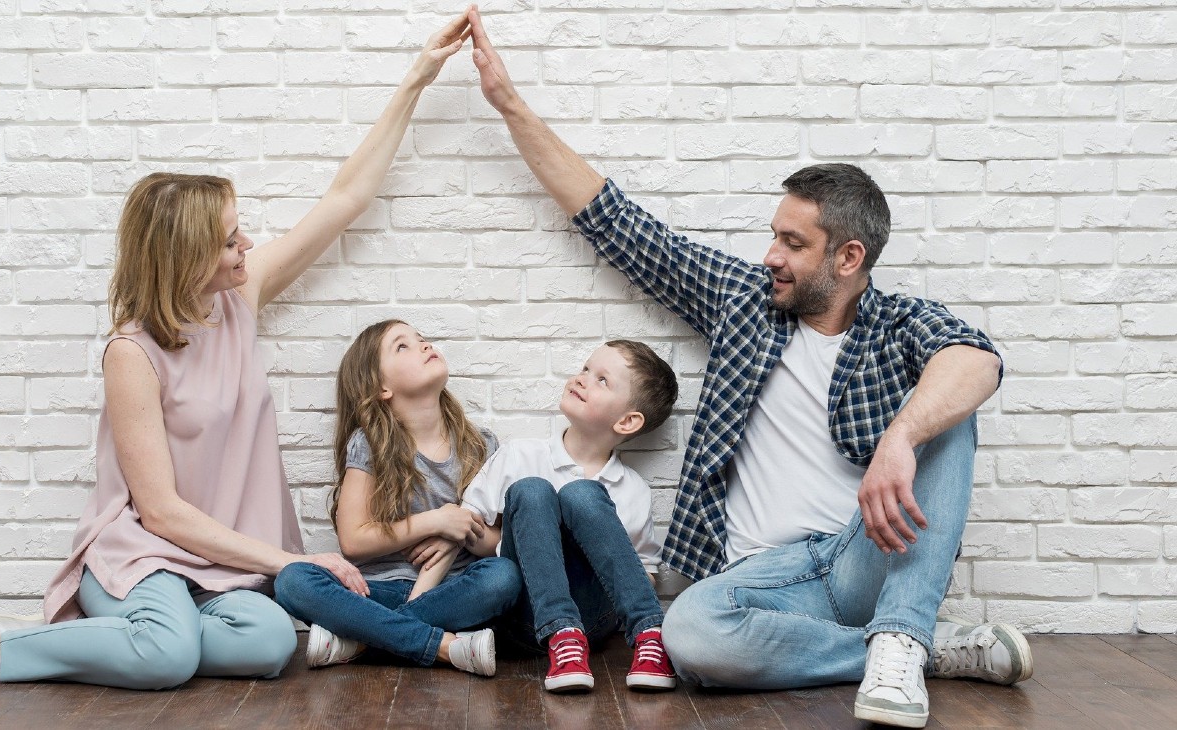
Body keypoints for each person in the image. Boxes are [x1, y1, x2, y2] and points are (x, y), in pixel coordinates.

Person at [464, 7, 1032, 728]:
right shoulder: (744, 302)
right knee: (689, 635)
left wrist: (901, 436)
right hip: (761, 581)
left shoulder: (897, 325)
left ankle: (899, 630)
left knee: (950, 413)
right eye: (773, 236)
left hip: (863, 557)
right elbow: (619, 223)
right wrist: (510, 106)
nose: (771, 255)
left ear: (847, 258)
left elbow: (977, 360)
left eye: (792, 243)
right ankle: (912, 646)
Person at [0, 12, 475, 691]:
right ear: (185, 256)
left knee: (266, 643)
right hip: (148, 555)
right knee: (168, 658)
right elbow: (160, 511)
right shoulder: (131, 355)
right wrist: (288, 563)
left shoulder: (239, 299)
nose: (246, 247)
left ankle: (148, 638)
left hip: (225, 562)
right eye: (229, 240)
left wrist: (416, 80)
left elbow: (344, 198)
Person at [272, 320, 521, 676]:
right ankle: (444, 646)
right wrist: (435, 520)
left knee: (503, 576)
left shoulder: (481, 445)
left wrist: (464, 528)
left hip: (452, 592)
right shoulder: (369, 444)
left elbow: (499, 544)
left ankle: (362, 641)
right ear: (381, 387)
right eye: (402, 346)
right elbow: (354, 541)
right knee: (292, 580)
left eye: (421, 339)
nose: (423, 345)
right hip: (379, 591)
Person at [459, 340, 679, 693]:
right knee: (532, 490)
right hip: (524, 615)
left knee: (582, 494)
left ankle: (650, 635)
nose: (582, 379)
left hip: (593, 618)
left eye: (602, 380)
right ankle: (562, 633)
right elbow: (469, 525)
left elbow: (646, 573)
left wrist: (602, 555)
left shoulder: (632, 489)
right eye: (585, 369)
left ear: (627, 421)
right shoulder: (520, 455)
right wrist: (526, 541)